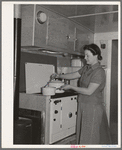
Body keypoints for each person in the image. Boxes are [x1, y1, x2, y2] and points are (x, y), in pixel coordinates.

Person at [50, 43, 111, 144]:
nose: (85, 58)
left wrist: (70, 87)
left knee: (91, 136)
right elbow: (74, 74)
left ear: (96, 55)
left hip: (93, 107)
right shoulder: (87, 67)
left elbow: (89, 91)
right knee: (84, 133)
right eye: (84, 55)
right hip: (83, 104)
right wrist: (59, 76)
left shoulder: (99, 72)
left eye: (88, 56)